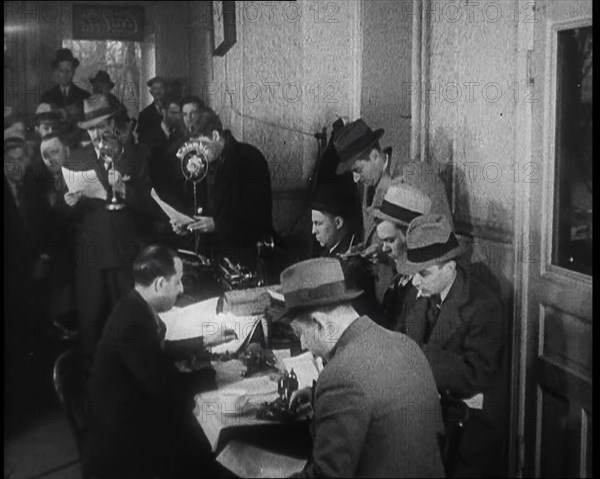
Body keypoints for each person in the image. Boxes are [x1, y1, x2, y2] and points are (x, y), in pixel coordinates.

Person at [278, 258, 445, 477]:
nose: (303, 345)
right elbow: (377, 401)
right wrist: (317, 396)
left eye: (300, 334)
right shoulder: (405, 344)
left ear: (320, 323)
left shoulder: (339, 376)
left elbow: (326, 475)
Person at [83, 245, 237, 479]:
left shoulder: (133, 305)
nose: (182, 289)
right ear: (159, 284)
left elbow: (157, 351)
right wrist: (216, 373)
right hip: (125, 448)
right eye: (177, 282)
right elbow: (169, 389)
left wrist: (206, 339)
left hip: (127, 423)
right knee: (205, 451)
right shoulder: (132, 323)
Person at [395, 214, 506, 477]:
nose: (415, 281)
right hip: (424, 416)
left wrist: (417, 357)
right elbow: (398, 339)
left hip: (466, 429)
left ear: (450, 269)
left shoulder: (483, 306)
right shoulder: (418, 293)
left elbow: (474, 374)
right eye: (413, 272)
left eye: (423, 273)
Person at [64, 94, 154, 355]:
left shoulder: (134, 156)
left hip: (127, 260)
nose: (96, 134)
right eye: (90, 128)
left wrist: (125, 188)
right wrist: (69, 204)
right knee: (93, 333)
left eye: (101, 126)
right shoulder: (75, 161)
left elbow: (150, 207)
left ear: (113, 125)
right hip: (91, 262)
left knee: (132, 334)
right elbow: (63, 218)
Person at [171, 106, 274, 270]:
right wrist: (188, 226)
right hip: (212, 255)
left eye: (202, 144)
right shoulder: (204, 163)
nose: (198, 152)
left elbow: (258, 214)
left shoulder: (249, 158)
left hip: (243, 256)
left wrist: (218, 224)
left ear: (215, 135)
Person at [372, 183, 437, 330]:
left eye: (390, 240)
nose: (384, 249)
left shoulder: (426, 284)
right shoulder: (399, 277)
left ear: (412, 237)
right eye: (382, 241)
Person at [40, 48, 90, 115]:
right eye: (61, 71)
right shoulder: (46, 98)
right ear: (57, 72)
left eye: (68, 70)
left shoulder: (84, 97)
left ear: (73, 71)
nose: (65, 75)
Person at [136, 76, 166, 146]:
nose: (158, 91)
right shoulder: (144, 115)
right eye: (155, 89)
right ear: (151, 92)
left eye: (161, 88)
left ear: (165, 90)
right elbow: (142, 140)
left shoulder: (174, 110)